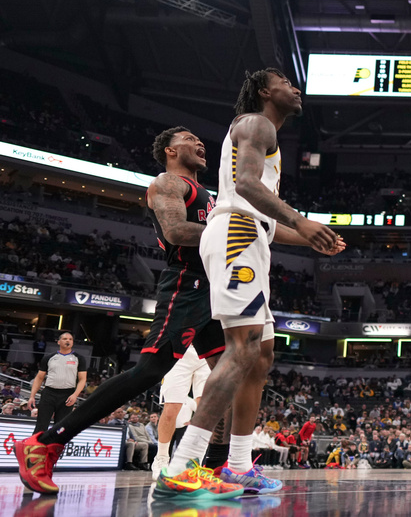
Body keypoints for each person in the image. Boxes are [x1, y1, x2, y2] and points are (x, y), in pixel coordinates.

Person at [15, 127, 244, 499]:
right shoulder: (168, 182)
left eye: (199, 139)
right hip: (187, 283)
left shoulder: (211, 196)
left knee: (232, 378)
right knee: (151, 370)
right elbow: (174, 231)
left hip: (213, 289)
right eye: (189, 138)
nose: (200, 142)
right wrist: (233, 234)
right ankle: (46, 442)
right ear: (170, 150)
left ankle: (220, 467)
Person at [160, 69, 344, 498]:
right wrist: (301, 220)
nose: (295, 88)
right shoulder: (255, 123)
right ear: (265, 91)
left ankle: (238, 466)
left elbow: (264, 217)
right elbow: (244, 187)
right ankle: (184, 464)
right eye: (285, 82)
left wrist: (312, 238)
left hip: (252, 235)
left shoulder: (266, 138)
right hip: (235, 237)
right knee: (241, 349)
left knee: (261, 356)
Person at [151, 344, 211, 479]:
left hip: (209, 348)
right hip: (181, 349)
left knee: (205, 410)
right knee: (171, 410)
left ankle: (196, 462)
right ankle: (161, 458)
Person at [27, 332, 87, 436]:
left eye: (70, 339)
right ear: (58, 342)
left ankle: (56, 451)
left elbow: (82, 379)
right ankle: (35, 449)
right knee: (41, 425)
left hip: (68, 394)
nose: (68, 341)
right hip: (49, 392)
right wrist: (32, 396)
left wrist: (75, 395)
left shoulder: (79, 358)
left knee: (61, 428)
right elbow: (39, 378)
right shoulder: (49, 357)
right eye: (65, 339)